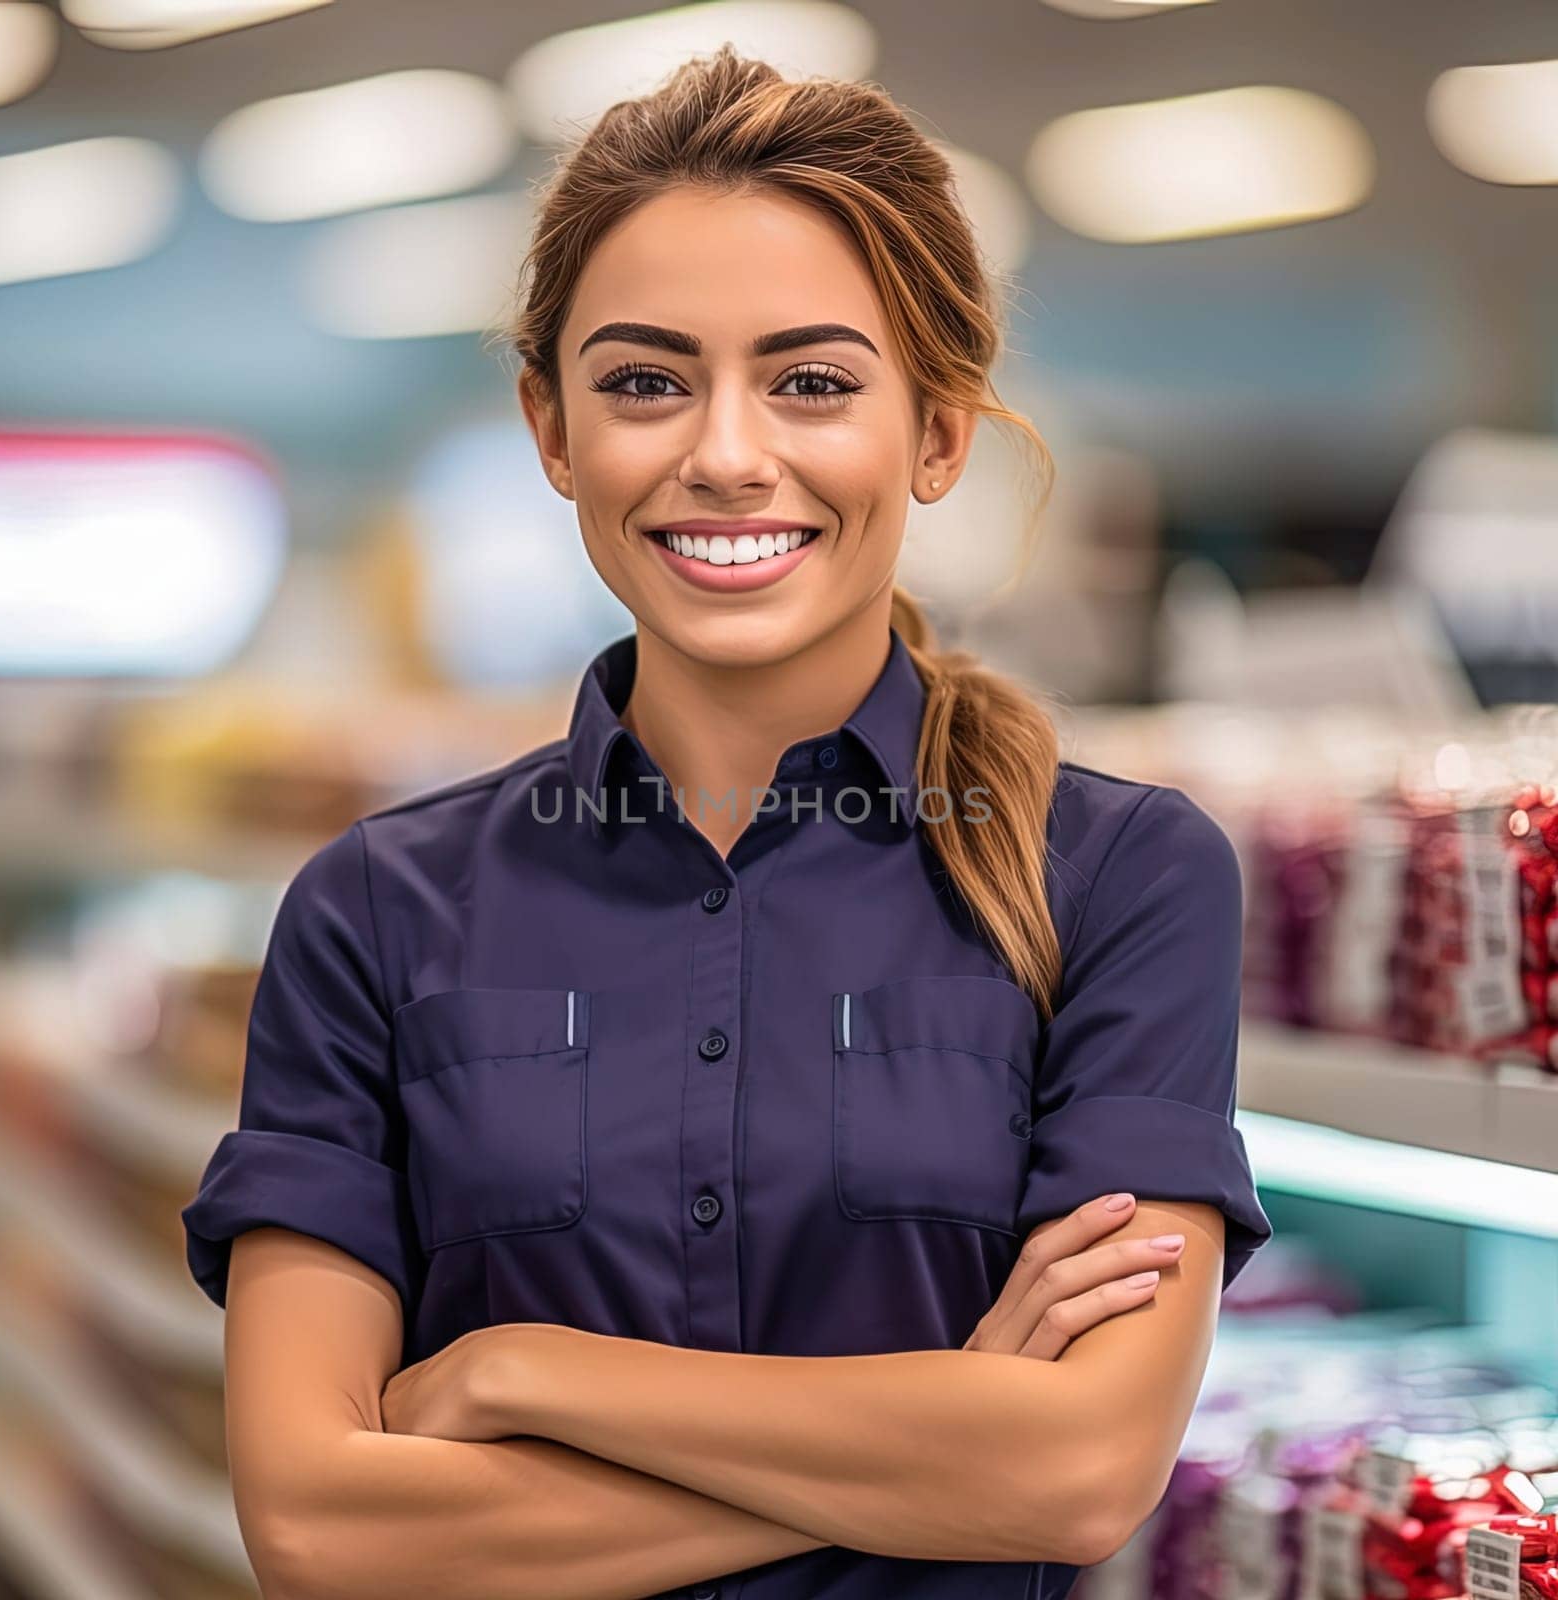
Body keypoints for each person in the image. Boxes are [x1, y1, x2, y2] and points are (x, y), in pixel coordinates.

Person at [180, 44, 1272, 1600]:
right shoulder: (372, 913)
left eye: (814, 381)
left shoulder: (1116, 881)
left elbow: (1080, 1469)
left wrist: (519, 1373)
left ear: (939, 434)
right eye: (644, 382)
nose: (726, 454)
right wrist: (950, 1448)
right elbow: (319, 1530)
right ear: (553, 431)